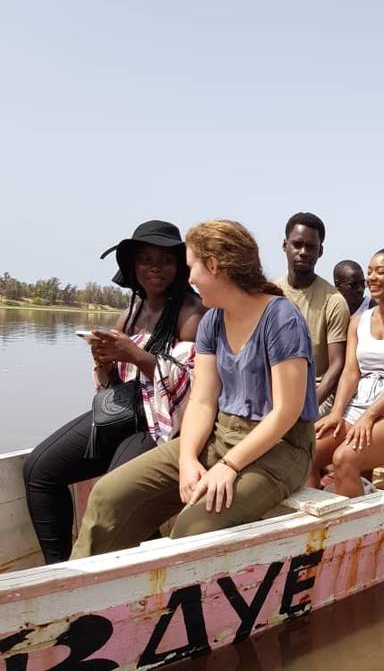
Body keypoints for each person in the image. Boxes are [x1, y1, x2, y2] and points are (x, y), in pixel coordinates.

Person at [70, 220, 317, 558]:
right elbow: (202, 402)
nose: (189, 279)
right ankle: (85, 591)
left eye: (192, 268)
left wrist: (228, 466)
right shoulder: (213, 320)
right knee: (108, 495)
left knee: (190, 529)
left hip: (279, 448)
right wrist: (187, 459)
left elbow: (286, 412)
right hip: (219, 435)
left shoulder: (281, 319)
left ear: (214, 266)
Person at [23, 220, 205, 564]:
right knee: (38, 471)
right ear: (133, 266)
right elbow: (111, 386)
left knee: (115, 491)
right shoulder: (129, 313)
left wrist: (136, 355)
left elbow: (194, 387)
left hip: (162, 426)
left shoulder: (191, 314)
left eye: (166, 260)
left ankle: (121, 573)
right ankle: (55, 571)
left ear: (180, 267)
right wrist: (103, 360)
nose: (156, 268)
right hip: (123, 412)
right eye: (146, 259)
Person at [306, 248, 384, 498]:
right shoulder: (358, 320)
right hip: (361, 404)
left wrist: (370, 416)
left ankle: (353, 533)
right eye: (370, 272)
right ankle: (315, 526)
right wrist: (337, 412)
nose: (371, 278)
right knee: (304, 451)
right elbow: (351, 373)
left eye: (380, 271)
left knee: (344, 458)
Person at [276, 213, 350, 416]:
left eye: (311, 247)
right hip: (275, 389)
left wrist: (305, 407)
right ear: (285, 245)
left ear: (320, 251)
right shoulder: (270, 294)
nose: (303, 252)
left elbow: (337, 365)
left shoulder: (333, 301)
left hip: (316, 394)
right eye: (297, 244)